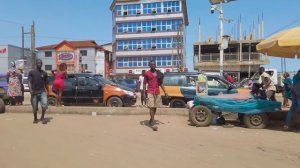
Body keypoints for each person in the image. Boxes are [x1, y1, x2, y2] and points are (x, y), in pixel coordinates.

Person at [143, 60, 168, 131]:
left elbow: (161, 83)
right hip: (150, 92)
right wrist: (144, 93)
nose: (153, 65)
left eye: (154, 64)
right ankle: (153, 124)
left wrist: (165, 91)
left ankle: (151, 119)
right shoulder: (147, 73)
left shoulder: (158, 73)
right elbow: (144, 83)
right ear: (149, 65)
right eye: (152, 64)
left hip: (157, 92)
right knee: (151, 107)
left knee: (155, 107)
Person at [28, 59, 49, 124]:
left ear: (42, 64)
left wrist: (47, 91)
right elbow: (29, 81)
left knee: (45, 104)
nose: (39, 64)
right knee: (34, 107)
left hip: (42, 92)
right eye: (38, 63)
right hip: (34, 92)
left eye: (40, 63)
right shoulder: (32, 72)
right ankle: (35, 118)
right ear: (36, 64)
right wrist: (30, 90)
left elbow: (46, 83)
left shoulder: (44, 73)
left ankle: (42, 117)